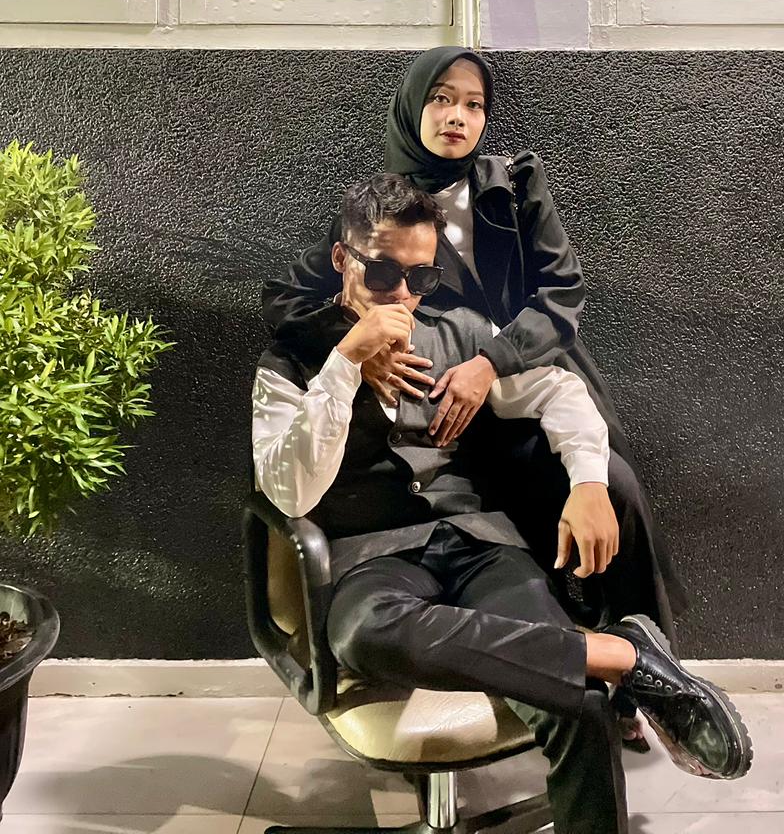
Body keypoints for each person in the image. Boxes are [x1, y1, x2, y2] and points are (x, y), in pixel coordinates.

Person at [252, 174, 752, 834]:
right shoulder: (291, 358)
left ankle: (598, 671)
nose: (401, 295)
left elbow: (559, 392)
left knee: (579, 705)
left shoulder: (460, 333)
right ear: (344, 260)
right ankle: (618, 654)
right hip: (369, 559)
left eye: (420, 278)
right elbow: (289, 491)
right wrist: (344, 364)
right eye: (383, 274)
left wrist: (589, 483)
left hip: (479, 545)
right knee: (362, 635)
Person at [262, 47, 689, 745]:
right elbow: (285, 299)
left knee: (611, 486)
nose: (456, 116)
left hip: (512, 383)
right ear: (412, 107)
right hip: (429, 407)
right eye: (440, 98)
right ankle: (576, 664)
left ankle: (648, 676)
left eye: (473, 104)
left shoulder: (512, 185)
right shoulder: (381, 211)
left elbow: (562, 294)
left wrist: (490, 362)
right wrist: (362, 347)